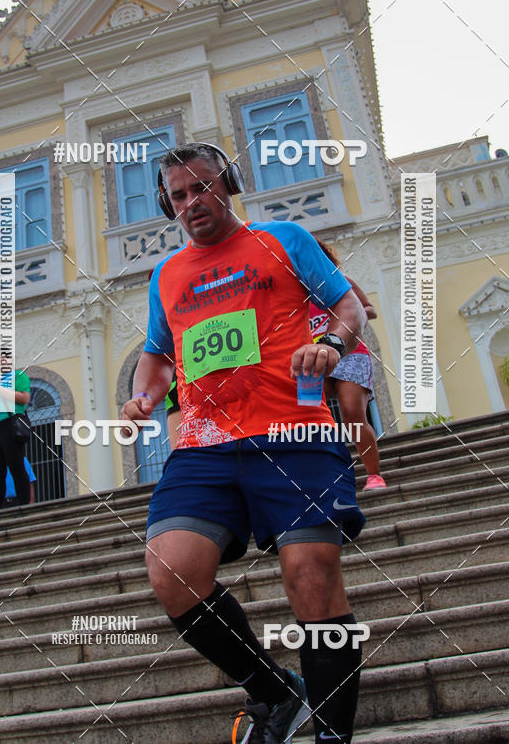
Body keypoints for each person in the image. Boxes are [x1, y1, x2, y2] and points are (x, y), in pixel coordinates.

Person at [121, 143, 368, 744]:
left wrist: (331, 345)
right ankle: (276, 691)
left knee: (311, 576)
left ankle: (332, 736)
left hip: (295, 433)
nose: (192, 202)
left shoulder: (284, 239)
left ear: (227, 185)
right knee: (171, 568)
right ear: (168, 205)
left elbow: (347, 306)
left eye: (203, 187)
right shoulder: (166, 275)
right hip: (204, 445)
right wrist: (144, 397)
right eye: (179, 195)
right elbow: (158, 354)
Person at [310, 239, 387, 490]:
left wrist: (342, 319)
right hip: (314, 358)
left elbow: (369, 310)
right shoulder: (293, 290)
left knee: (352, 413)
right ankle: (321, 478)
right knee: (308, 415)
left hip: (349, 353)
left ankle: (374, 475)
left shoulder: (341, 281)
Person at [0, 366, 31, 510]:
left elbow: (24, 398)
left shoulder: (18, 375)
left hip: (9, 422)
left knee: (16, 466)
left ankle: (24, 507)